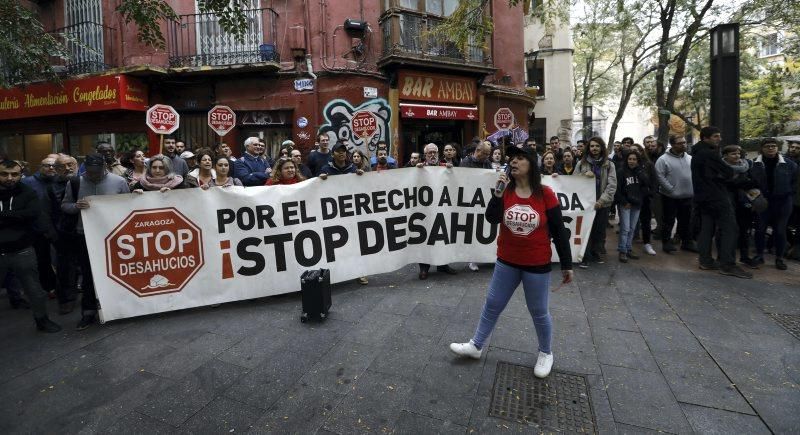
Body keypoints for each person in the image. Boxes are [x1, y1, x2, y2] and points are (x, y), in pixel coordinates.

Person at [449, 146, 573, 379]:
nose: (514, 162)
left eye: (520, 159)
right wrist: (497, 194)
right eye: (512, 159)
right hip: (507, 260)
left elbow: (559, 231)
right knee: (493, 303)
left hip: (536, 264)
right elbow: (491, 218)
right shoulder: (505, 191)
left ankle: (546, 353)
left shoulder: (545, 194)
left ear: (531, 165)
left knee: (538, 311)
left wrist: (567, 264)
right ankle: (476, 345)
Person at [62, 154, 130, 329]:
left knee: (116, 272)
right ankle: (88, 312)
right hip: (85, 236)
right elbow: (65, 205)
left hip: (113, 236)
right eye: (90, 172)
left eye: (97, 172)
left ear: (104, 168)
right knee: (88, 276)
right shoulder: (75, 183)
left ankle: (117, 307)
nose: (93, 175)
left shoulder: (119, 182)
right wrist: (76, 206)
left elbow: (128, 206)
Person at [0, 160, 62, 333]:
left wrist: (4, 216)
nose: (9, 178)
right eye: (4, 174)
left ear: (21, 175)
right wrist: (17, 216)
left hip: (22, 249)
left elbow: (33, 213)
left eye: (14, 174)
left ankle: (42, 320)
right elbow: (24, 215)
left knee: (34, 290)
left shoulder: (27, 192)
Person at [691, 126, 751, 279]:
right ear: (705, 138)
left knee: (706, 229)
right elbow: (727, 172)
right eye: (716, 136)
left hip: (703, 197)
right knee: (730, 229)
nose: (719, 139)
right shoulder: (709, 154)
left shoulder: (697, 153)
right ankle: (728, 264)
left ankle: (705, 260)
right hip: (716, 196)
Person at [319, 143, 367, 284]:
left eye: (343, 151)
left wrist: (361, 176)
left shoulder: (353, 168)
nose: (341, 154)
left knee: (356, 243)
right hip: (332, 213)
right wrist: (320, 179)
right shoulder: (326, 169)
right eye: (338, 152)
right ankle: (337, 273)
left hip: (350, 212)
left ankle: (360, 272)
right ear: (333, 154)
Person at [749, 138, 798, 270]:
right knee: (760, 229)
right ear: (762, 149)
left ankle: (779, 258)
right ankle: (759, 255)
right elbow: (749, 184)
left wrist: (788, 195)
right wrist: (755, 198)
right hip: (762, 201)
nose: (771, 148)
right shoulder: (754, 164)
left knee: (780, 231)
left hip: (783, 201)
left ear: (778, 148)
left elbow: (795, 183)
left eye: (773, 146)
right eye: (767, 146)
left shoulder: (789, 164)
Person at [416, 143, 457, 278]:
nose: (432, 155)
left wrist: (451, 170)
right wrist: (416, 169)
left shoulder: (444, 166)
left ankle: (443, 265)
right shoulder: (420, 167)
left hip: (442, 208)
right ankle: (424, 268)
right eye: (429, 153)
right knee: (425, 237)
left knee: (443, 235)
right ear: (425, 155)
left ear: (438, 154)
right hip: (425, 209)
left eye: (434, 152)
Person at [575, 137, 617, 268]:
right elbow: (573, 181)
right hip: (585, 204)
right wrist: (583, 176)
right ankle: (585, 256)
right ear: (589, 148)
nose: (594, 148)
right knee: (586, 230)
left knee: (599, 230)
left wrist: (601, 201)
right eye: (592, 146)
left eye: (597, 146)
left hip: (602, 204)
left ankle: (595, 253)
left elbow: (612, 185)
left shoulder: (609, 164)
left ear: (601, 148)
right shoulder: (581, 163)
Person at [21, 156, 59, 297]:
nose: (50, 168)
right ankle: (49, 287)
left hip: (58, 227)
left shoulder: (60, 181)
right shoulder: (27, 182)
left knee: (63, 259)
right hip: (37, 229)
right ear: (40, 166)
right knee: (42, 260)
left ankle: (62, 286)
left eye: (54, 166)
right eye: (47, 165)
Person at [721, 145, 760, 269]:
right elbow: (723, 183)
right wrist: (739, 183)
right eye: (733, 154)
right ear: (725, 155)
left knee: (744, 231)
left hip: (744, 202)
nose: (737, 156)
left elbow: (754, 181)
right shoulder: (720, 167)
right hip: (727, 202)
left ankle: (744, 256)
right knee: (727, 231)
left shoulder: (747, 165)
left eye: (738, 153)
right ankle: (724, 257)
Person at [655, 135, 695, 254]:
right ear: (672, 145)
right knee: (668, 220)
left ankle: (686, 242)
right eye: (680, 143)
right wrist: (671, 189)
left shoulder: (690, 158)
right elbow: (660, 176)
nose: (684, 145)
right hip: (670, 197)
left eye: (684, 142)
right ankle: (666, 243)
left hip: (688, 195)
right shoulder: (663, 159)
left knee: (686, 221)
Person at [615, 150, 649, 262]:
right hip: (625, 204)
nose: (632, 161)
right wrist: (624, 202)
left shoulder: (641, 172)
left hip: (637, 204)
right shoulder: (621, 172)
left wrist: (640, 172)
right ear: (626, 160)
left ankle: (629, 248)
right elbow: (617, 189)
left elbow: (646, 185)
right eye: (630, 159)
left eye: (634, 159)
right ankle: (622, 250)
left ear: (638, 161)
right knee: (625, 228)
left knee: (632, 228)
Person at [633, 144, 659, 256]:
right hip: (632, 198)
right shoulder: (628, 165)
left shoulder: (648, 165)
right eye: (631, 151)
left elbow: (654, 181)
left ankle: (647, 243)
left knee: (646, 222)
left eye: (636, 150)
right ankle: (627, 245)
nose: (634, 153)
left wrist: (650, 194)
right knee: (630, 223)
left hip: (645, 198)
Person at [786, 140, 800, 260]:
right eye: (792, 147)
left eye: (797, 148)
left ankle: (795, 248)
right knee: (783, 224)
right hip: (787, 198)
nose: (793, 149)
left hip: (797, 200)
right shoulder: (784, 161)